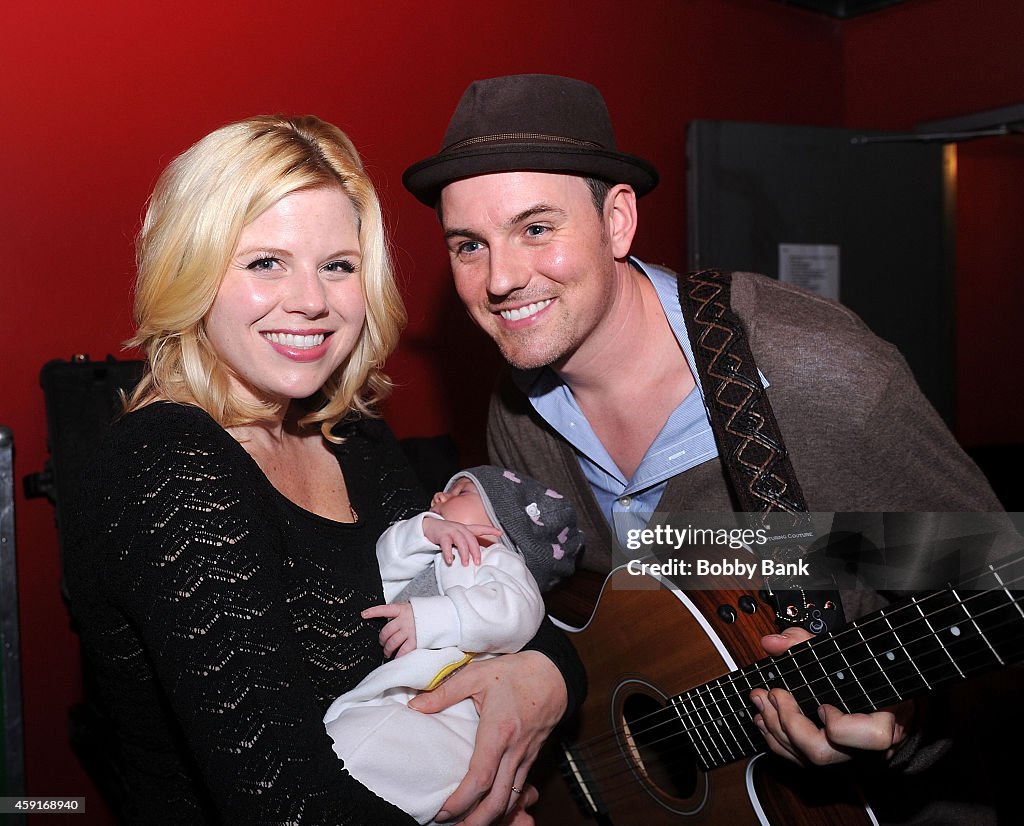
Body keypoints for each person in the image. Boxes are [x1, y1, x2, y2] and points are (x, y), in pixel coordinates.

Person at [402, 74, 1020, 824]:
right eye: (470, 244)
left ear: (618, 221)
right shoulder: (520, 407)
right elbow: (570, 606)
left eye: (537, 228)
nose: (500, 279)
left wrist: (905, 729)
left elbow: (996, 603)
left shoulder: (818, 382)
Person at [63, 114, 585, 825]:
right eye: (265, 262)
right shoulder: (167, 464)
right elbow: (288, 805)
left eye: (337, 265)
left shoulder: (351, 437)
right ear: (191, 268)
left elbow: (501, 587)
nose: (312, 301)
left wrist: (546, 675)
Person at [324, 465, 582, 824]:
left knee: (354, 759)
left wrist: (430, 618)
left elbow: (515, 613)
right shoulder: (433, 555)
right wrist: (423, 531)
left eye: (460, 493)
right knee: (349, 753)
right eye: (444, 492)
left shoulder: (499, 560)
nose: (439, 497)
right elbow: (381, 565)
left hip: (453, 717)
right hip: (403, 702)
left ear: (500, 526)